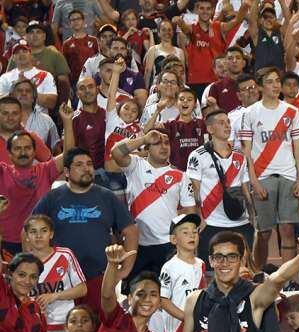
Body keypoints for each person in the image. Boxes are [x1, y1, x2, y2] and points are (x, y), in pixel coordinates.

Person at [33, 148, 138, 314]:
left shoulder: (107, 196)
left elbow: (131, 231)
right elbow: (28, 231)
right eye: (79, 165)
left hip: (99, 277)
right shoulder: (52, 198)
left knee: (99, 327)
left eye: (89, 164)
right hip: (61, 280)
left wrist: (124, 270)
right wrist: (34, 267)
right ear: (66, 171)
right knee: (65, 328)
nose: (86, 168)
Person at [240, 67, 299, 269]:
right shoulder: (250, 113)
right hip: (262, 177)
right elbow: (246, 151)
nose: (276, 85)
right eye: (270, 81)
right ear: (260, 86)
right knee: (264, 231)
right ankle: (257, 274)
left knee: (288, 228)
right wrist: (253, 181)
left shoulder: (292, 111)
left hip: (288, 175)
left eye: (277, 80)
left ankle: (288, 279)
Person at [0, 101, 74, 258]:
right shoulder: (2, 171)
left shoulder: (45, 170)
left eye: (27, 148)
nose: (23, 152)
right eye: (17, 149)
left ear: (34, 152)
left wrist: (67, 122)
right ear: (10, 154)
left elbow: (69, 154)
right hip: (7, 241)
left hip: (39, 241)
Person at [111, 129, 186, 281]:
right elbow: (116, 152)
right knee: (135, 294)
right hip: (137, 245)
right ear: (147, 148)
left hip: (168, 245)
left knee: (168, 293)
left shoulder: (180, 176)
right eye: (157, 143)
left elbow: (189, 211)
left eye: (166, 143)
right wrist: (144, 139)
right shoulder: (135, 166)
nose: (164, 146)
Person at [185, 110, 254, 264]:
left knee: (245, 270)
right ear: (210, 129)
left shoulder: (240, 156)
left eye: (228, 122)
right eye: (221, 123)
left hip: (241, 222)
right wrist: (199, 220)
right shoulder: (198, 155)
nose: (227, 126)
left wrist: (252, 217)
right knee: (212, 271)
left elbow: (245, 189)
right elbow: (193, 191)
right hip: (211, 224)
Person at [22, 214, 87, 332]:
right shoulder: (21, 263)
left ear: (51, 234)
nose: (38, 236)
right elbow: (17, 299)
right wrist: (32, 306)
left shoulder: (65, 255)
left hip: (64, 324)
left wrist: (54, 296)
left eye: (43, 231)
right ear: (27, 237)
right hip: (35, 328)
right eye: (33, 232)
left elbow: (82, 289)